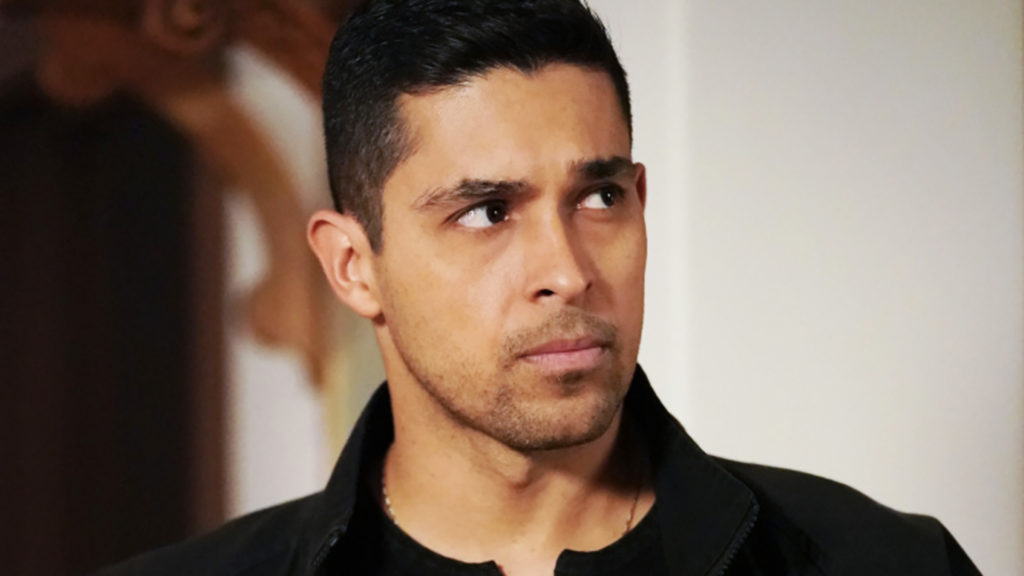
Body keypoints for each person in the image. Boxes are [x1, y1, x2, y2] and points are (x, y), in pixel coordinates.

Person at [97, 1, 981, 574]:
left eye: (599, 198)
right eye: (486, 212)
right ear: (353, 266)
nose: (567, 270)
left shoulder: (885, 563)